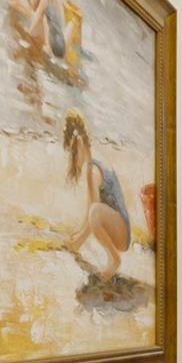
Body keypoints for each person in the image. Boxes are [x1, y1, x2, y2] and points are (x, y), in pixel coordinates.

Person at [61, 110, 131, 280]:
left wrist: (77, 242)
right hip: (119, 228)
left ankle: (113, 259)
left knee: (95, 211)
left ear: (79, 142)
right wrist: (76, 238)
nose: (73, 159)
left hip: (120, 234)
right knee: (93, 210)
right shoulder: (93, 165)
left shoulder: (93, 170)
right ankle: (79, 245)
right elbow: (89, 213)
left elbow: (94, 215)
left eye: (73, 153)